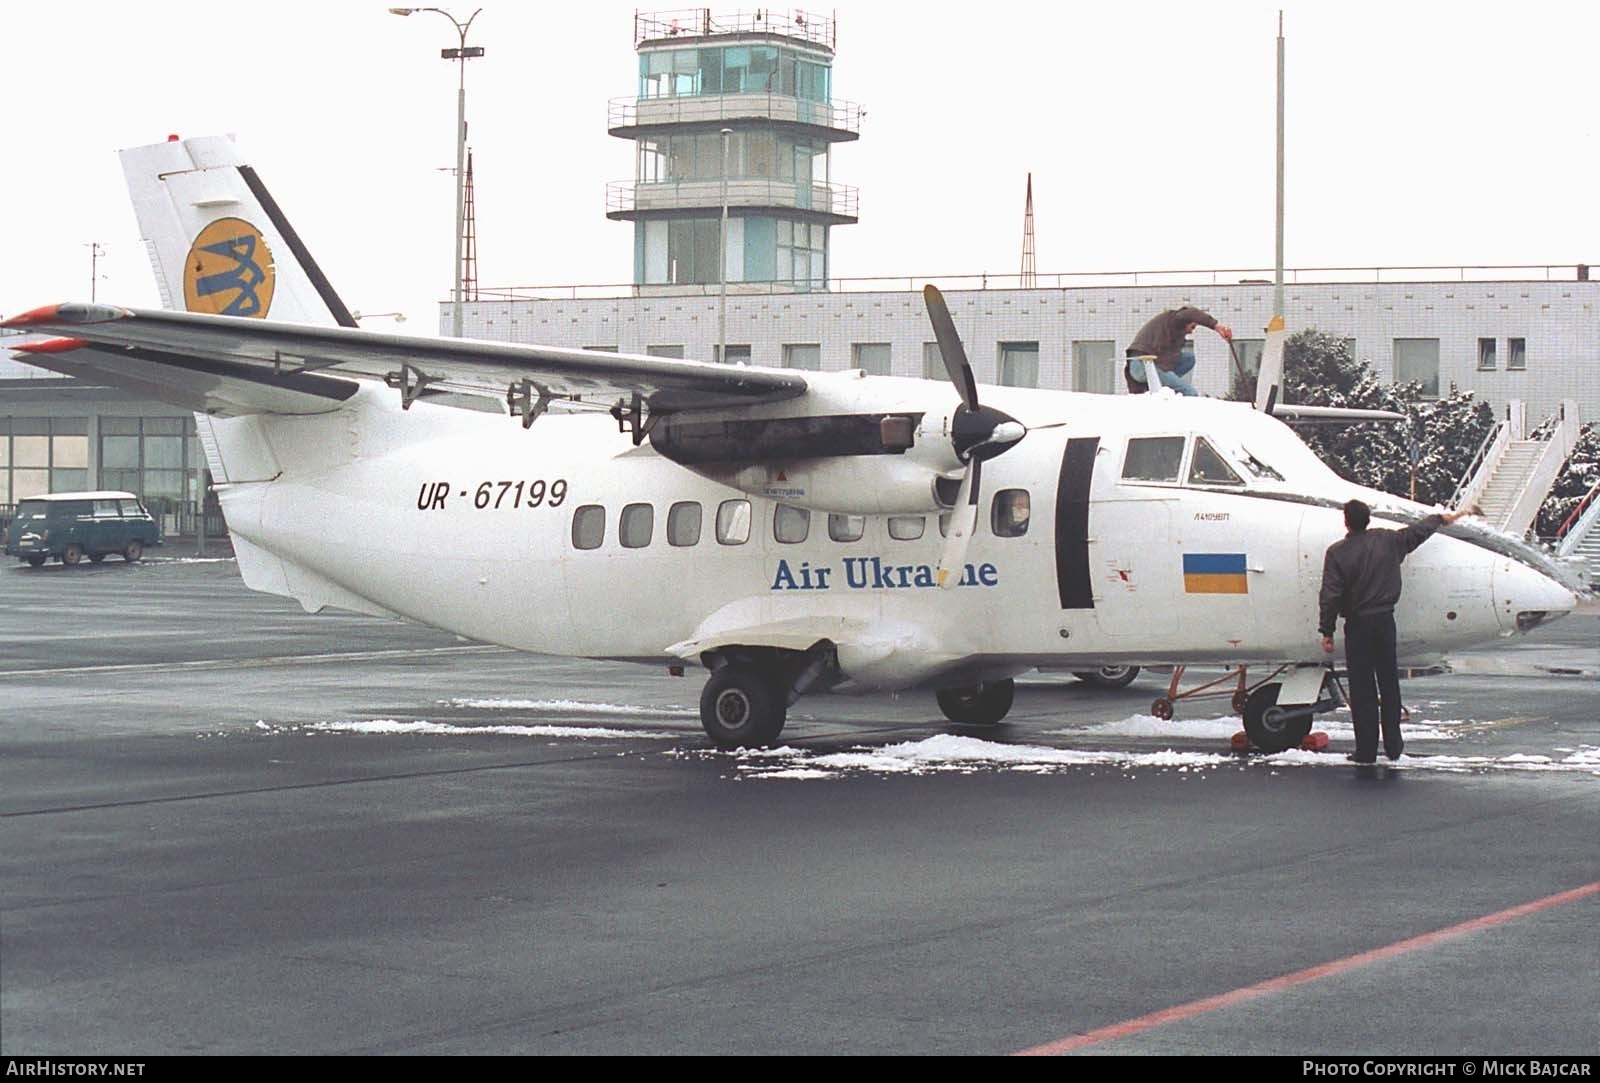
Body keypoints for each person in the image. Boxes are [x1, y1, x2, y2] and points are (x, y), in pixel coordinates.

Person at [1317, 499, 1479, 764]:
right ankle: (1393, 746)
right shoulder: (1388, 541)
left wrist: (1326, 629)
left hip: (1357, 625)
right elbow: (1418, 532)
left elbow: (1330, 595)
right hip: (1384, 621)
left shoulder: (1337, 553)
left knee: (1362, 688)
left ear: (1346, 521)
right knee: (1389, 683)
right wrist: (1439, 518)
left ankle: (1366, 751)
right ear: (1368, 519)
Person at [1125, 307, 1233, 396]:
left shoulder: (1174, 335)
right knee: (1190, 392)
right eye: (1192, 326)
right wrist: (1216, 326)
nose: (1191, 331)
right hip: (1142, 365)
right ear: (1186, 322)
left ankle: (1164, 386)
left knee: (1188, 358)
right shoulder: (1175, 320)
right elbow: (1191, 313)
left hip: (1149, 365)